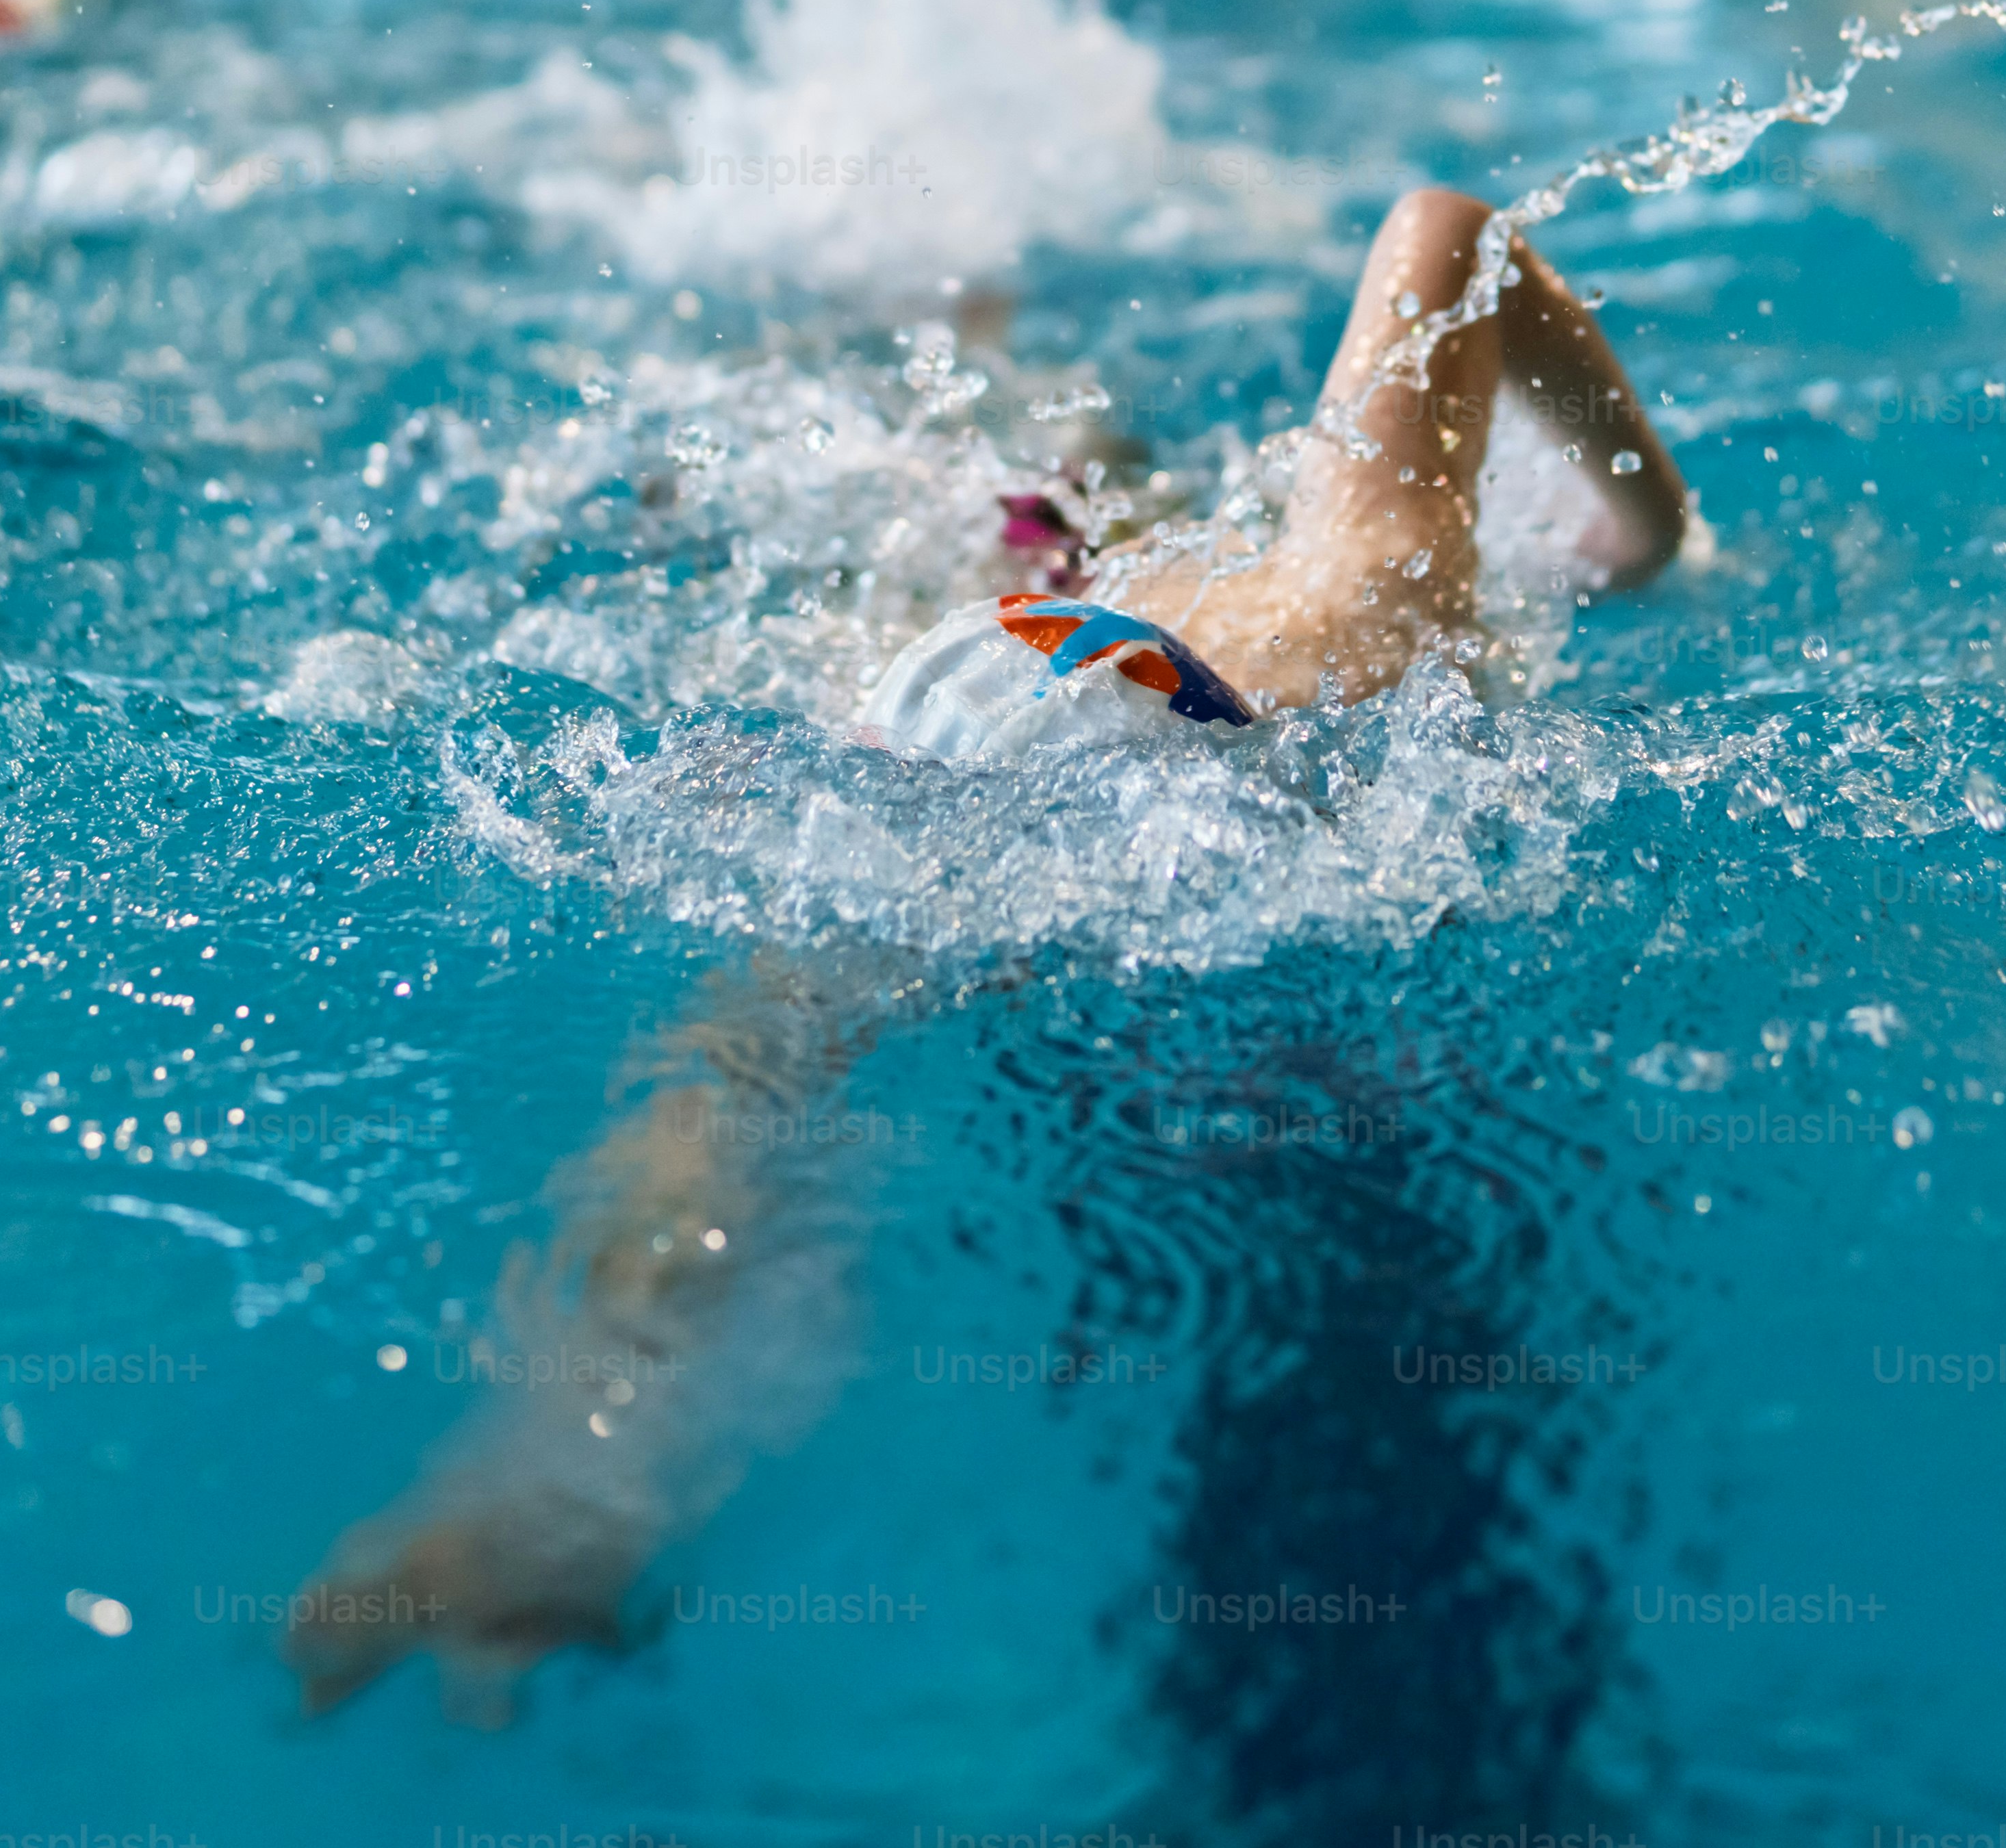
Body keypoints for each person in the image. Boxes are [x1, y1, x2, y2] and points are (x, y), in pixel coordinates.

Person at [279, 186, 1689, 1716]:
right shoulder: (1365, 618)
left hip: (944, 703)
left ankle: (564, 1483)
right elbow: (1443, 224)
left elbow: (1445, 249)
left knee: (734, 1086)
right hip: (1019, 693)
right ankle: (556, 1495)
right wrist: (1643, 532)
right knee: (746, 1068)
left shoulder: (1318, 609)